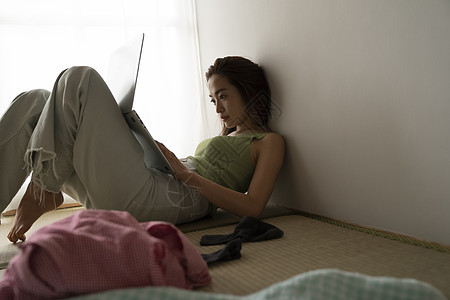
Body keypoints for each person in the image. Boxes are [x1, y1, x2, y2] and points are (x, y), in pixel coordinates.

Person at [0, 56, 285, 243]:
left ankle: (44, 188)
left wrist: (183, 174)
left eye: (223, 96)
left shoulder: (270, 142)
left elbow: (253, 207)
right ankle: (44, 188)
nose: (218, 108)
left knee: (80, 79)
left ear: (248, 92)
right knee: (34, 102)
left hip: (172, 196)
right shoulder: (229, 134)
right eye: (213, 100)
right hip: (153, 184)